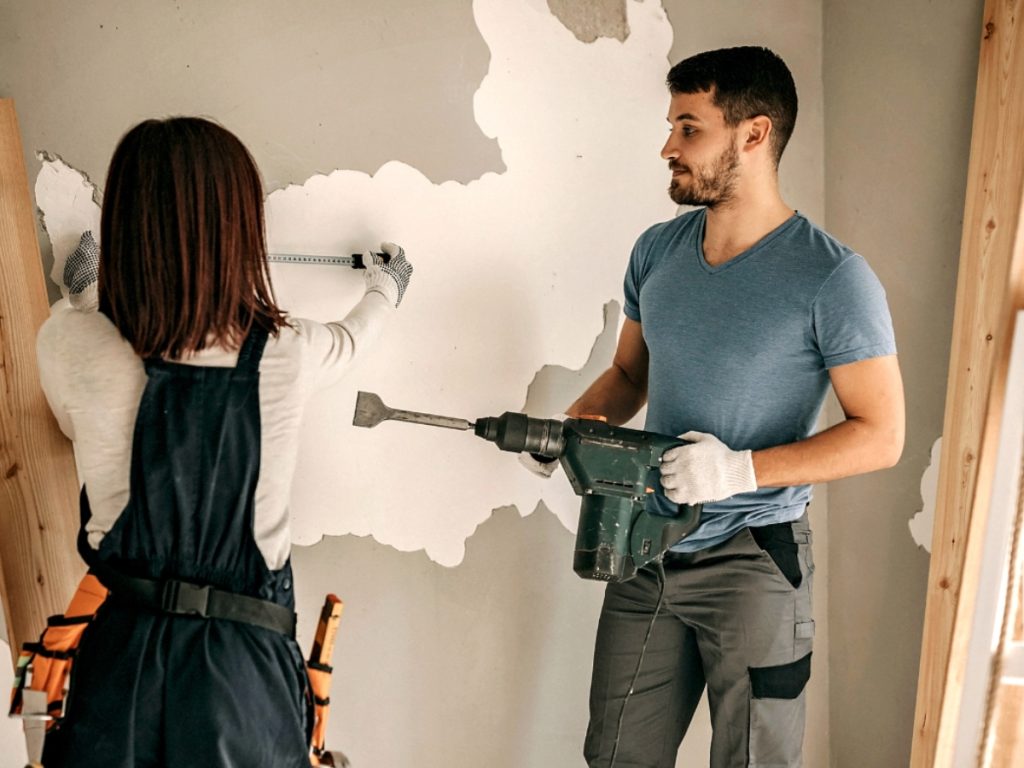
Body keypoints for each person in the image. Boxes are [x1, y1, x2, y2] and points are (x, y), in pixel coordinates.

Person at [523, 47, 904, 767]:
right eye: (672, 126)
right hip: (646, 550)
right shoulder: (657, 252)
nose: (668, 146)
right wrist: (576, 429)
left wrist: (739, 472)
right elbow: (626, 375)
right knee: (615, 757)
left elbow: (881, 436)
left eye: (689, 128)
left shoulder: (833, 278)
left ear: (753, 135)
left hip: (755, 562)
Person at [35, 116, 413, 767]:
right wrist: (389, 283)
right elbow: (356, 336)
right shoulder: (288, 354)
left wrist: (87, 290)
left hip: (121, 665)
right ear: (239, 227)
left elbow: (85, 417)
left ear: (127, 223)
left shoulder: (69, 343)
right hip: (243, 678)